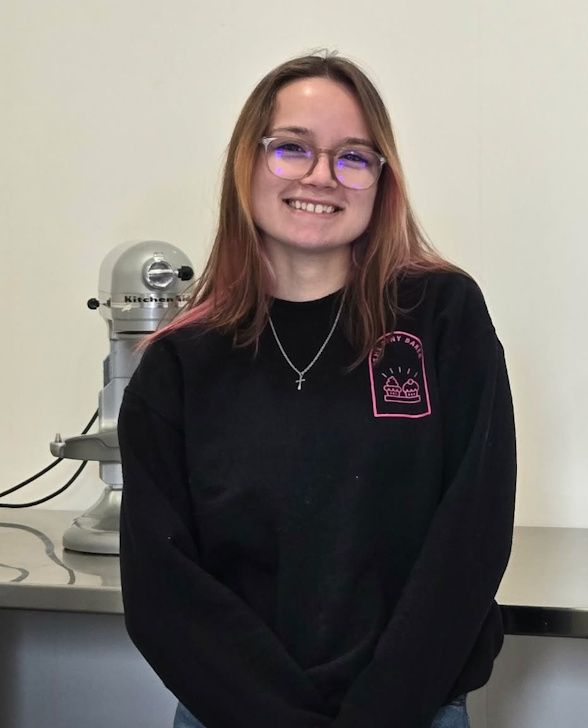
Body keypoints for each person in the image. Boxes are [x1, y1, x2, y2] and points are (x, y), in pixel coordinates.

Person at [117, 52, 516, 728]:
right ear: (248, 161)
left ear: (381, 180)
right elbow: (162, 588)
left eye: (353, 157)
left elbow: (469, 540)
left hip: (410, 713)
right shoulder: (179, 363)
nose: (321, 176)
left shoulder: (441, 314)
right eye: (292, 149)